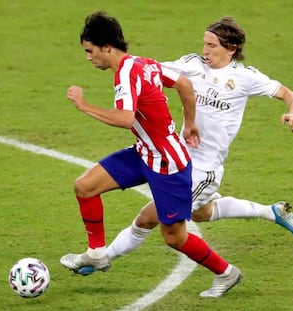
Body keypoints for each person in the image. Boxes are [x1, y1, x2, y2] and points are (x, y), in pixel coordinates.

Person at [74, 16, 293, 296]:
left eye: (211, 45)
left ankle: (103, 257)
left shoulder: (246, 78)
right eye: (204, 44)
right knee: (202, 212)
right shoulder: (193, 64)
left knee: (152, 218)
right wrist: (189, 120)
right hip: (178, 152)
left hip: (203, 168)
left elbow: (288, 94)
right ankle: (271, 212)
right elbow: (160, 74)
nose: (205, 50)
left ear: (230, 48)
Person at [60, 11, 243, 298]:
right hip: (145, 153)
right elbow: (183, 83)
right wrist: (190, 121)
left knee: (174, 237)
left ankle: (226, 272)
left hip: (167, 165)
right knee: (84, 186)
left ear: (106, 47)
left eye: (89, 51)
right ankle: (96, 252)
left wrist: (84, 106)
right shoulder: (141, 63)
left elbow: (124, 118)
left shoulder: (126, 74)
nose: (88, 57)